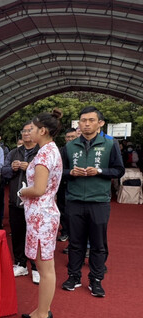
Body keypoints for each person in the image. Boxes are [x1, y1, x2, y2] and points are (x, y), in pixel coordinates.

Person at [61, 106, 125, 297]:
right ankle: (73, 276)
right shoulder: (69, 147)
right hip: (74, 200)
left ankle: (96, 280)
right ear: (78, 123)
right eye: (83, 120)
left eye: (91, 120)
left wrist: (99, 171)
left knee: (98, 243)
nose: (86, 124)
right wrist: (70, 172)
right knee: (75, 242)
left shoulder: (109, 144)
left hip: (99, 201)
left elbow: (119, 170)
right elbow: (59, 173)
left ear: (100, 123)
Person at [18, 108, 63, 318]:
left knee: (45, 269)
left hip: (41, 216)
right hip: (44, 214)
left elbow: (38, 189)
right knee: (44, 265)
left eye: (32, 129)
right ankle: (41, 308)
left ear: (43, 130)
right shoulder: (50, 150)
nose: (29, 132)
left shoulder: (45, 154)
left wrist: (21, 192)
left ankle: (44, 312)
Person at [2, 122, 40, 283]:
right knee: (17, 233)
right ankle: (20, 263)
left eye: (29, 130)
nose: (26, 133)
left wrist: (30, 167)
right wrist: (13, 168)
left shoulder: (41, 153)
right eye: (23, 131)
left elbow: (51, 174)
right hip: (16, 199)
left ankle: (37, 267)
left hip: (35, 201)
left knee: (35, 234)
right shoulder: (14, 152)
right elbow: (3, 171)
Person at [57, 128, 79, 246]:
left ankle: (73, 236)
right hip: (62, 184)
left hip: (76, 185)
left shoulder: (80, 151)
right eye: (68, 137)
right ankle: (65, 231)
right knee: (62, 210)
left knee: (73, 212)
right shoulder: (60, 150)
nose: (70, 139)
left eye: (73, 137)